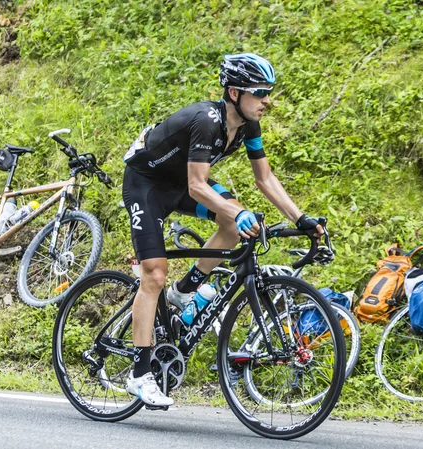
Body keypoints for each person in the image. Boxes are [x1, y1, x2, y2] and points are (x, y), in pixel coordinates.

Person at [121, 53, 324, 407]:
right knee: (153, 276)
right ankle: (139, 374)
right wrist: (237, 209)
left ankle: (185, 289)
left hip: (181, 183)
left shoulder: (248, 125)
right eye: (259, 92)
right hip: (147, 185)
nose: (266, 101)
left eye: (268, 92)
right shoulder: (207, 120)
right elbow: (199, 186)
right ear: (234, 93)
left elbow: (265, 178)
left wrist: (300, 218)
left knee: (235, 223)